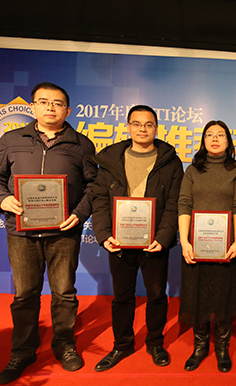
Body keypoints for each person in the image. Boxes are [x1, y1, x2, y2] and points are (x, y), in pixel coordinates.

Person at [0, 82, 97, 385]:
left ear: (67, 110)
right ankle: (22, 351)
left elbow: (93, 186)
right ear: (33, 107)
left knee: (64, 293)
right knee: (25, 295)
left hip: (63, 233)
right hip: (21, 233)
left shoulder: (82, 144)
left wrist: (79, 213)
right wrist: (2, 199)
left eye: (57, 103)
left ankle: (64, 344)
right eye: (44, 102)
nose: (50, 107)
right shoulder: (11, 139)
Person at [91, 105, 183, 371]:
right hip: (119, 241)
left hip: (154, 241)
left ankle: (155, 342)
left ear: (156, 128)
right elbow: (99, 200)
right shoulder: (109, 160)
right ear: (128, 126)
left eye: (148, 124)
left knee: (156, 295)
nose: (143, 129)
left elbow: (174, 203)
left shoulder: (170, 162)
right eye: (137, 124)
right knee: (122, 297)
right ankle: (122, 345)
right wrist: (104, 235)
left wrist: (163, 237)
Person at [177, 120, 236, 373]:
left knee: (223, 293)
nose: (215, 139)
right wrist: (184, 241)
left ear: (228, 141)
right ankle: (200, 346)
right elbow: (184, 204)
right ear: (203, 140)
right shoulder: (192, 170)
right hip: (195, 244)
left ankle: (222, 347)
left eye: (220, 135)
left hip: (226, 244)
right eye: (209, 135)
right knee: (197, 293)